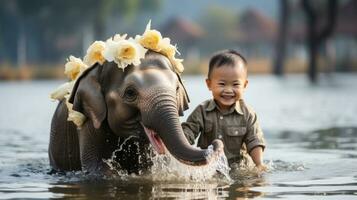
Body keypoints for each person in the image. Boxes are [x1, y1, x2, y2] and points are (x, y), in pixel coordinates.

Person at [182, 49, 267, 172]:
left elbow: (254, 141)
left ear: (245, 85)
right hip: (208, 169)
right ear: (209, 84)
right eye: (222, 84)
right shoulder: (202, 111)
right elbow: (188, 132)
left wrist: (259, 164)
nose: (228, 90)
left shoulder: (247, 114)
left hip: (238, 170)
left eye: (235, 85)